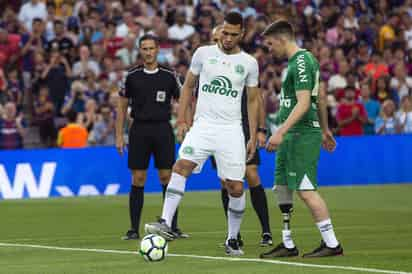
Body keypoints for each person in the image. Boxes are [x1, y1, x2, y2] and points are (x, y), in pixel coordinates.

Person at [145, 12, 260, 256]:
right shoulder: (203, 54)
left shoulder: (249, 63)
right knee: (180, 166)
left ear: (242, 34)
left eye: (233, 34)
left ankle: (232, 239)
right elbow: (187, 86)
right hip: (203, 125)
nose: (227, 38)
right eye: (224, 33)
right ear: (220, 31)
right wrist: (183, 119)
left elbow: (252, 100)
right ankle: (165, 223)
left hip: (231, 130)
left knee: (235, 187)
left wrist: (254, 133)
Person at [260, 20, 343, 258]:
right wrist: (326, 129)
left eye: (269, 43)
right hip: (293, 134)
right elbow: (321, 95)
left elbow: (306, 102)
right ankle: (287, 243)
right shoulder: (296, 63)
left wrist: (280, 131)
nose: (269, 49)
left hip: (300, 134)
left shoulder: (302, 61)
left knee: (306, 190)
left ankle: (332, 243)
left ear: (282, 39)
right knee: (282, 186)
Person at [116, 34, 186, 241]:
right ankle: (133, 229)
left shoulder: (169, 75)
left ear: (157, 50)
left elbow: (183, 100)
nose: (148, 52)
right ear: (140, 51)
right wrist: (119, 135)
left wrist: (183, 123)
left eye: (151, 48)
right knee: (138, 178)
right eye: (144, 49)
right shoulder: (131, 76)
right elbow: (121, 107)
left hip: (163, 129)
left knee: (167, 177)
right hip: (139, 130)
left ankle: (172, 226)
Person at [210, 24, 273, 247]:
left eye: (226, 36)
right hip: (216, 127)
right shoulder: (208, 66)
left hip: (245, 124)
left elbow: (258, 100)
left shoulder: (244, 63)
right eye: (218, 37)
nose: (222, 40)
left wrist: (261, 130)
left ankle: (266, 231)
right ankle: (233, 235)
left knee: (251, 173)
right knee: (226, 181)